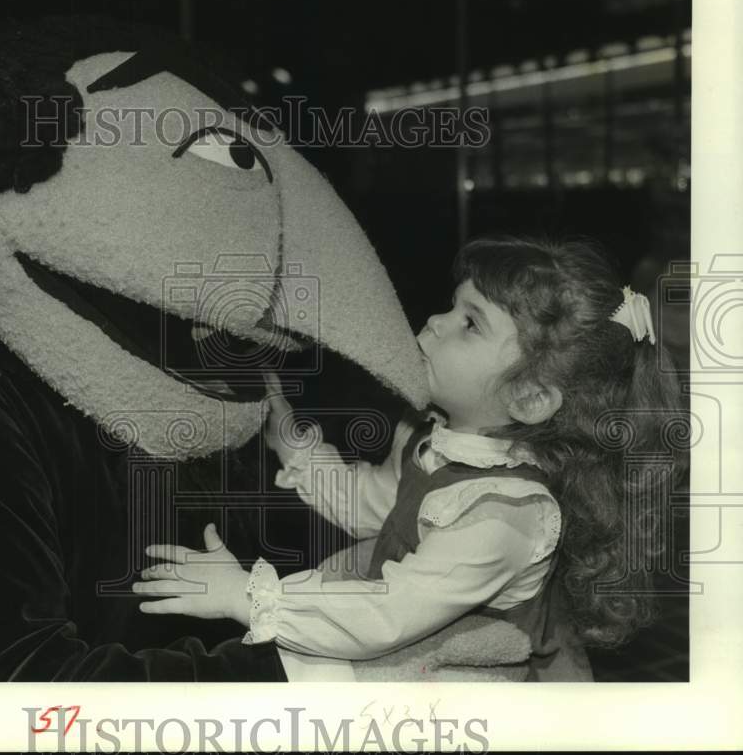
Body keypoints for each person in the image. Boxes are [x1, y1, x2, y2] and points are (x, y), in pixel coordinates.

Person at [135, 235, 685, 676]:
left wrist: (244, 596)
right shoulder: (431, 440)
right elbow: (375, 509)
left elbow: (385, 616)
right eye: (453, 306)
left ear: (531, 397)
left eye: (471, 323)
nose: (435, 323)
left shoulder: (504, 511)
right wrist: (295, 441)